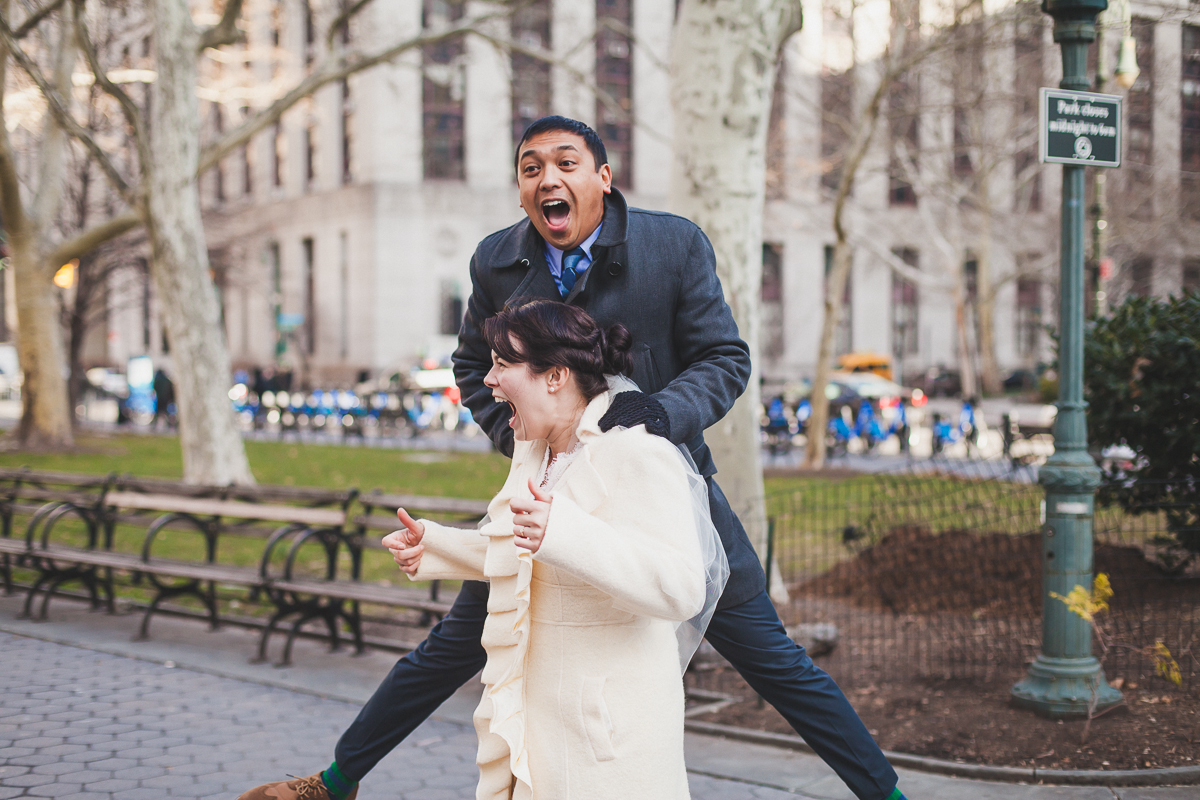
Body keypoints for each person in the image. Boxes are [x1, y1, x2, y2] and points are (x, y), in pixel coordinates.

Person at [237, 116, 908, 800]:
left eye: (566, 162)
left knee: (775, 663)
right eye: (531, 168)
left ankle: (887, 795)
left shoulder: (672, 246)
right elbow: (474, 365)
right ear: (520, 188)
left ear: (602, 179)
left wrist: (661, 414)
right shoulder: (497, 260)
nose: (548, 178)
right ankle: (336, 781)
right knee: (451, 645)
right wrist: (524, 436)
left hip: (665, 493)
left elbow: (725, 358)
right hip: (544, 491)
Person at [386, 299, 723, 799]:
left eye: (503, 364)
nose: (489, 381)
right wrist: (434, 546)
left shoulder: (638, 452)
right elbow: (525, 551)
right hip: (539, 721)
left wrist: (565, 533)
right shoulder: (537, 453)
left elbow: (683, 589)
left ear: (554, 376)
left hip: (608, 740)